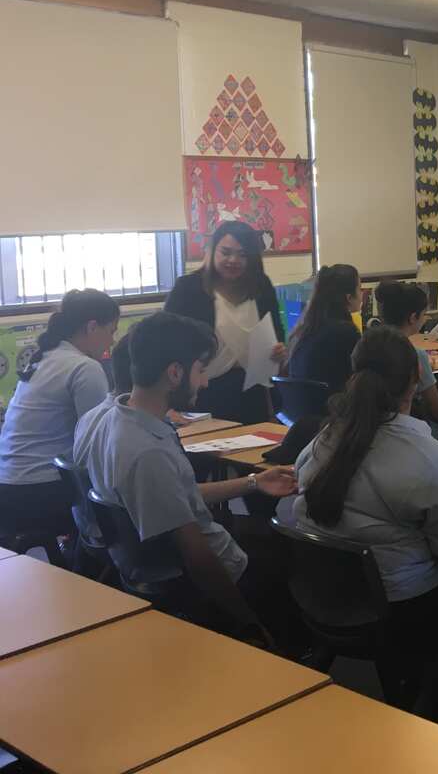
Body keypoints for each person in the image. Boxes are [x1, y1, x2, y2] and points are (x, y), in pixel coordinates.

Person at [73, 312, 298, 647]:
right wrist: (248, 624)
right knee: (295, 555)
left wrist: (253, 482)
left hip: (152, 569)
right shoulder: (148, 453)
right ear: (175, 373)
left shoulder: (113, 420)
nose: (205, 382)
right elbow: (200, 558)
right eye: (201, 370)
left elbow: (180, 495)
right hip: (219, 577)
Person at [293, 327, 438, 706]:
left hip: (322, 596)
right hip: (401, 611)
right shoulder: (426, 456)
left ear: (353, 375)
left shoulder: (322, 439)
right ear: (416, 379)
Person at [0, 290, 119, 540]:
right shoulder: (84, 367)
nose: (112, 341)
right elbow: (98, 443)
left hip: (9, 487)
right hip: (38, 492)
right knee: (126, 506)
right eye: (111, 331)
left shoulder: (44, 358)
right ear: (92, 327)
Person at [164, 221, 286, 423]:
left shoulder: (261, 285)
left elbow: (277, 332)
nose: (233, 260)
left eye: (242, 255)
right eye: (226, 252)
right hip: (202, 391)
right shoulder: (188, 288)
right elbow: (166, 341)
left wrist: (279, 350)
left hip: (251, 389)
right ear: (212, 250)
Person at [374, 280, 438, 435]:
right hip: (410, 429)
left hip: (374, 424)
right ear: (413, 317)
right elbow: (436, 409)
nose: (425, 319)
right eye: (424, 314)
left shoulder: (368, 348)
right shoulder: (415, 355)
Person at [286, 264, 362, 397]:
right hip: (332, 406)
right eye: (359, 288)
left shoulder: (305, 329)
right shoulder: (346, 333)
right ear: (349, 297)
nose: (362, 294)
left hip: (304, 407)